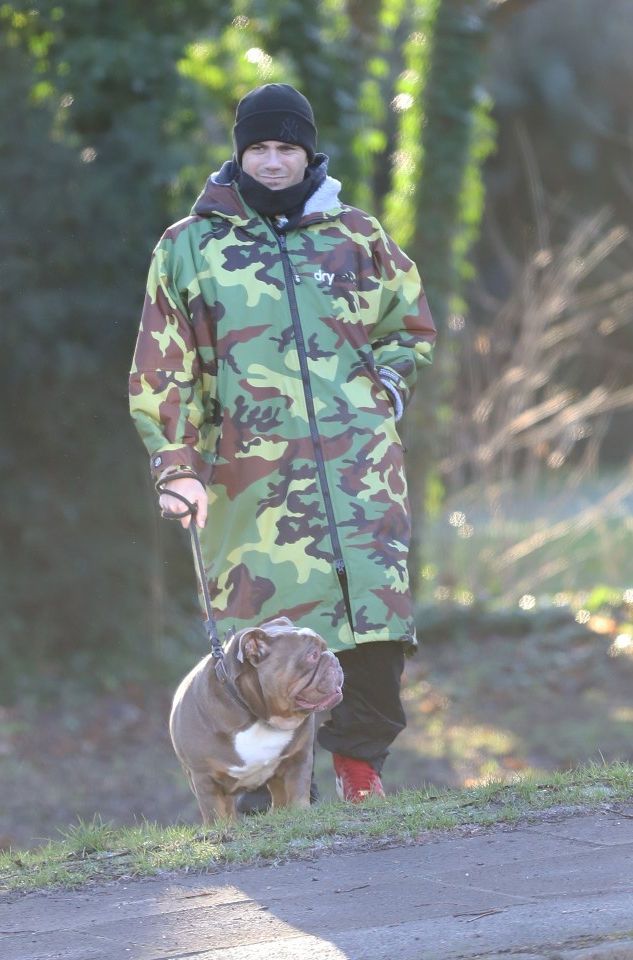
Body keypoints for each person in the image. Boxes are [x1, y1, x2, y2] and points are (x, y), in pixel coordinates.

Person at [129, 82, 436, 807]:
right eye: (259, 149)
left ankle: (359, 772)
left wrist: (385, 390)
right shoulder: (189, 248)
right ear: (240, 156)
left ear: (308, 154)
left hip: (361, 477)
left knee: (373, 634)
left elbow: (409, 326)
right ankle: (274, 802)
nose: (272, 162)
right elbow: (161, 365)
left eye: (285, 149)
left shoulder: (357, 237)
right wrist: (176, 466)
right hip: (251, 487)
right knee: (264, 650)